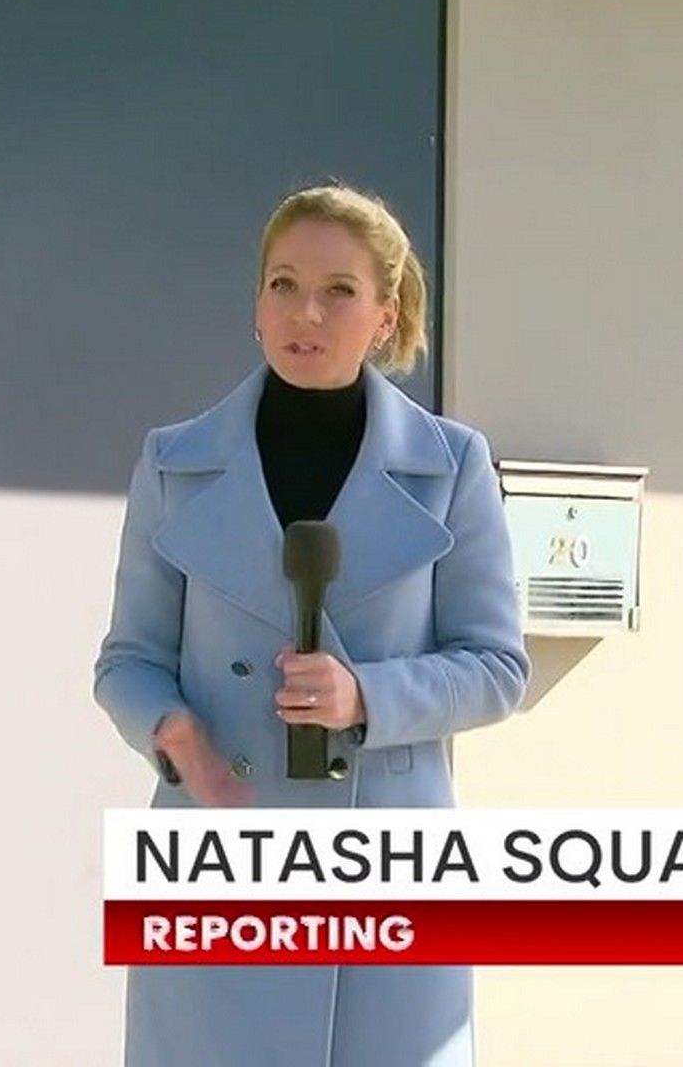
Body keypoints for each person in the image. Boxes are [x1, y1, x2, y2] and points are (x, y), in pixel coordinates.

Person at [93, 183, 531, 1067]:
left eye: (339, 290)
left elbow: (497, 669)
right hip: (221, 858)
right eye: (284, 284)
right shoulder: (174, 462)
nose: (306, 312)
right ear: (256, 304)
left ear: (384, 315)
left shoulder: (453, 465)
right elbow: (128, 660)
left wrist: (365, 695)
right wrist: (170, 730)